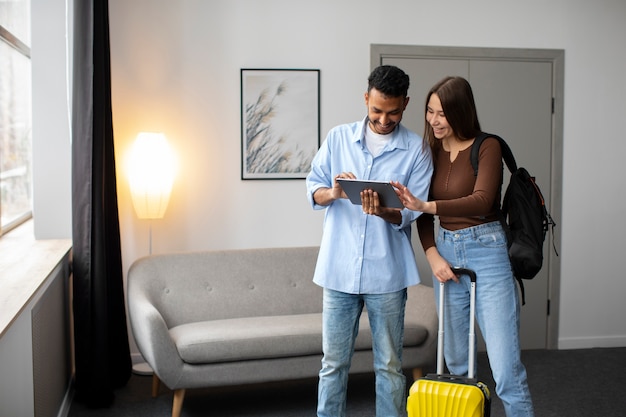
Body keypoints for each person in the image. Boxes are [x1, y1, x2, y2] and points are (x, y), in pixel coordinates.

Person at [392, 75, 535, 417]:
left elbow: (482, 201)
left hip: (488, 253)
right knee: (455, 365)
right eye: (429, 112)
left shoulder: (488, 146)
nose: (433, 120)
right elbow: (418, 213)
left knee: (506, 370)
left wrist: (428, 206)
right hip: (445, 254)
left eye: (442, 113)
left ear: (461, 111)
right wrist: (432, 255)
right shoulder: (430, 152)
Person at [305, 65, 433, 417]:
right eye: (376, 110)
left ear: (405, 104)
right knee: (333, 365)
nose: (383, 119)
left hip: (387, 275)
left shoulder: (417, 150)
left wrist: (385, 211)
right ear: (366, 99)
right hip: (338, 271)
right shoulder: (337, 138)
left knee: (390, 367)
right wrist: (332, 192)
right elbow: (312, 190)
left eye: (392, 112)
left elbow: (413, 212)